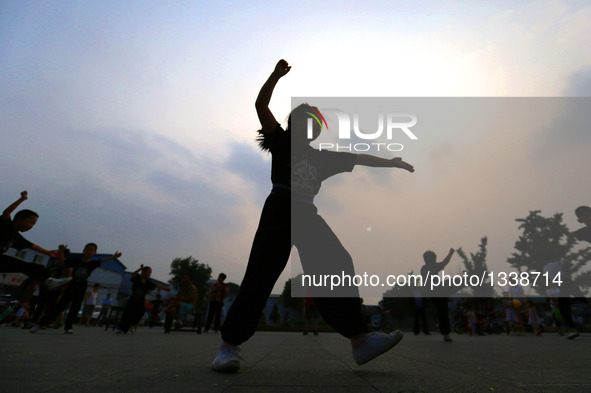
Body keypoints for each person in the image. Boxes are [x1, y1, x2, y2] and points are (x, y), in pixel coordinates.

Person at [212, 59, 414, 372]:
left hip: (307, 214)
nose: (309, 127)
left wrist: (390, 162)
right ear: (294, 124)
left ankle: (360, 340)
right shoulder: (280, 142)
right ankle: (227, 347)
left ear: (317, 130)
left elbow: (358, 158)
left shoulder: (323, 158)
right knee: (260, 277)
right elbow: (260, 104)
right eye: (304, 121)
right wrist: (275, 76)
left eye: (313, 123)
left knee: (338, 263)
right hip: (279, 209)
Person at [30, 243, 121, 334]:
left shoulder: (93, 263)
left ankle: (68, 327)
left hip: (82, 286)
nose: (89, 251)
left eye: (91, 250)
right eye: (87, 249)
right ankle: (41, 324)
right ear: (84, 251)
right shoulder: (76, 261)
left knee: (75, 307)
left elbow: (102, 260)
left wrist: (114, 257)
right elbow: (63, 263)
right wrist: (61, 251)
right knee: (60, 306)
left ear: (94, 252)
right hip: (72, 284)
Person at [0, 191, 71, 290]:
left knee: (32, 266)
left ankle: (49, 281)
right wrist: (22, 199)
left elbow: (33, 246)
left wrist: (47, 252)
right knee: (23, 265)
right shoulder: (6, 225)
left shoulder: (16, 237)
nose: (31, 226)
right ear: (20, 219)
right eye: (31, 222)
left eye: (33, 224)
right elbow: (6, 212)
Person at [117, 265, 170, 334]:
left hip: (141, 301)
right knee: (127, 313)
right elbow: (133, 274)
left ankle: (133, 323)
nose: (150, 274)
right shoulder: (137, 279)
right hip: (133, 299)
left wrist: (165, 289)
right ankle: (122, 328)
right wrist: (140, 268)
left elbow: (156, 285)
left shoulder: (148, 282)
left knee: (141, 312)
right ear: (144, 272)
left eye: (151, 272)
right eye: (149, 272)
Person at [420, 248, 455, 342]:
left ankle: (446, 333)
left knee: (442, 312)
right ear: (431, 259)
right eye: (435, 259)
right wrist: (450, 253)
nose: (436, 261)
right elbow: (444, 262)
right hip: (439, 291)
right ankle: (446, 334)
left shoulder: (423, 268)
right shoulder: (432, 266)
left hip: (433, 293)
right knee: (443, 312)